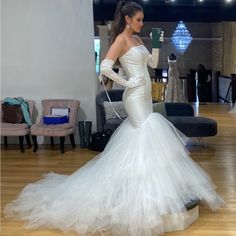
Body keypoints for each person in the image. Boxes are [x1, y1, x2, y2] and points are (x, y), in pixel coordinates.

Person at [4, 1, 224, 235]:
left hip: (146, 94)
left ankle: (149, 190)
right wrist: (127, 82)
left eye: (142, 19)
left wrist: (158, 42)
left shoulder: (139, 40)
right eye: (138, 19)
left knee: (148, 138)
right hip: (135, 96)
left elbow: (152, 64)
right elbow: (105, 68)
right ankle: (139, 193)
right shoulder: (120, 40)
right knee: (146, 134)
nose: (142, 23)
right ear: (127, 19)